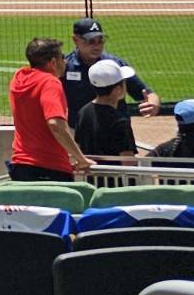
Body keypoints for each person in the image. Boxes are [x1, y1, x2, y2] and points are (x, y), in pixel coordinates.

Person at [10, 36, 92, 180]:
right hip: (50, 168)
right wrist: (81, 158)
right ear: (53, 62)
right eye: (62, 57)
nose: (65, 61)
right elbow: (55, 124)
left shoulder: (18, 78)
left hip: (21, 166)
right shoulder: (50, 83)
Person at [66, 18, 158, 117]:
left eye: (100, 40)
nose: (97, 46)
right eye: (91, 41)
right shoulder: (65, 66)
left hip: (115, 124)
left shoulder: (115, 64)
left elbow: (147, 93)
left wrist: (154, 102)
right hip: (80, 125)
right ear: (75, 40)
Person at [74, 58, 141, 160]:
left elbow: (78, 146)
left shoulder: (83, 112)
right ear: (117, 90)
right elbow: (128, 161)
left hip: (89, 170)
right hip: (111, 171)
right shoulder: (120, 121)